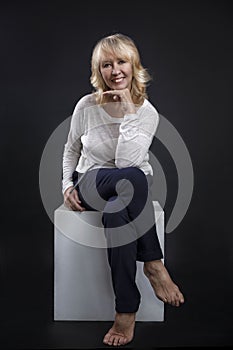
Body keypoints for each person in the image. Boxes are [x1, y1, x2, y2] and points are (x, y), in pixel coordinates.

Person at [62, 33, 184, 347]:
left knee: (118, 211)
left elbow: (126, 161)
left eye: (121, 62)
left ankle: (125, 312)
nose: (115, 70)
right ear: (98, 71)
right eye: (106, 64)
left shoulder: (147, 113)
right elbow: (70, 149)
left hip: (129, 190)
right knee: (134, 177)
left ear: (134, 66)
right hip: (92, 182)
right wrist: (66, 184)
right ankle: (154, 264)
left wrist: (129, 110)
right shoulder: (86, 106)